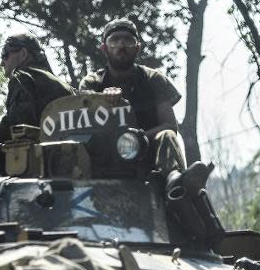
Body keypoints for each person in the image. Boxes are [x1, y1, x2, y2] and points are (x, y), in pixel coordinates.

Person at [79, 18, 185, 174]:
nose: (121, 45)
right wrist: (101, 99)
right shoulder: (92, 83)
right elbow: (84, 124)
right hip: (104, 159)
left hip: (150, 157)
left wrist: (134, 140)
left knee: (167, 136)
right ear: (104, 48)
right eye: (114, 40)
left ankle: (175, 182)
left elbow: (169, 126)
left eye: (128, 40)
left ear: (137, 48)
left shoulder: (154, 79)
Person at [0, 33, 74, 143]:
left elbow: (16, 125)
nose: (2, 63)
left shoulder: (23, 77)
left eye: (5, 54)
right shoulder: (63, 84)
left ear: (23, 53)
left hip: (42, 156)